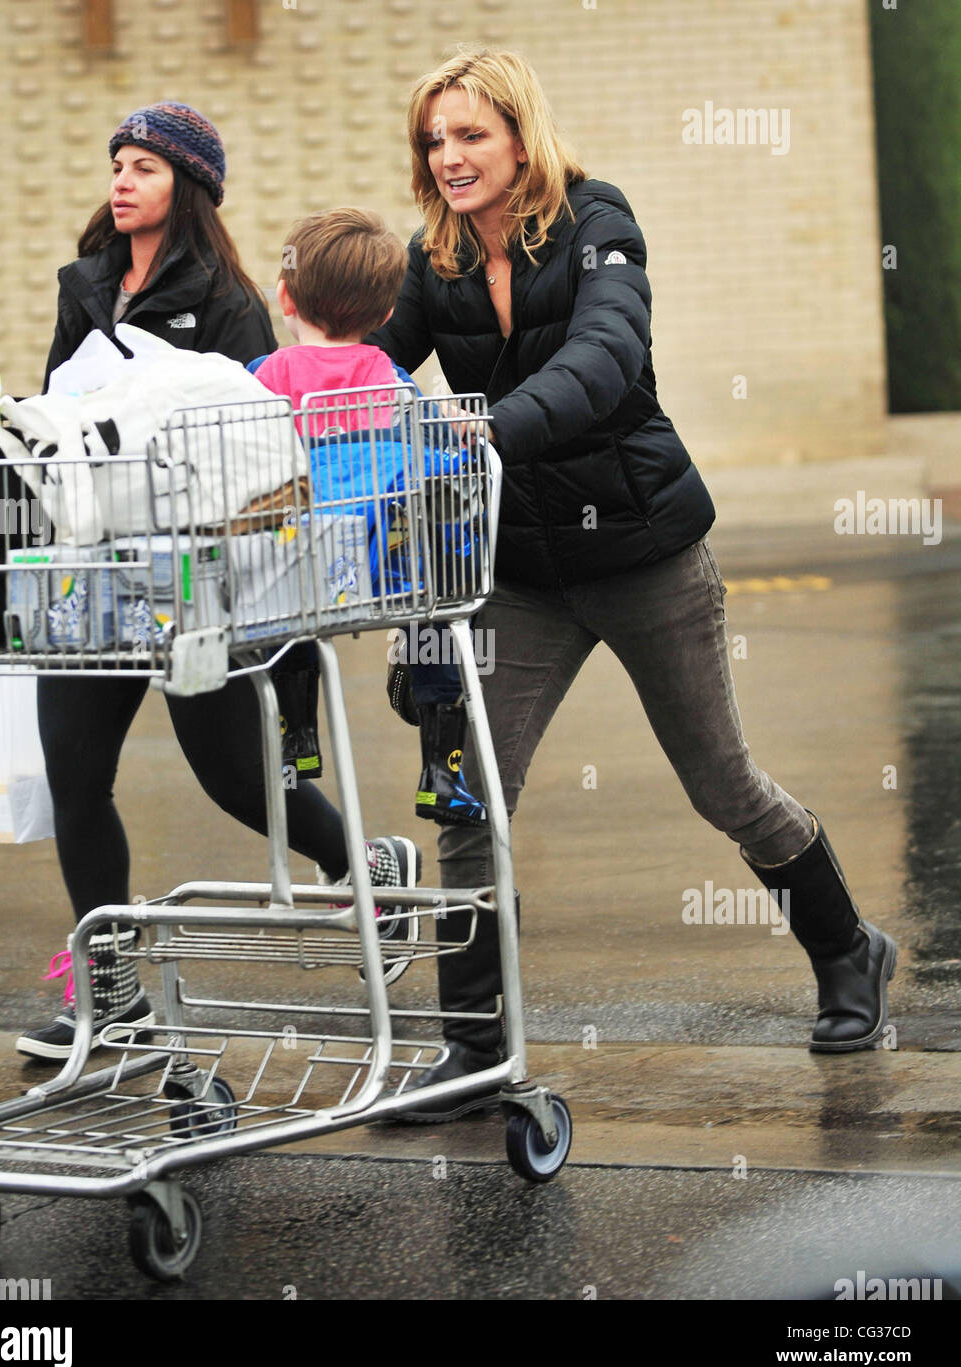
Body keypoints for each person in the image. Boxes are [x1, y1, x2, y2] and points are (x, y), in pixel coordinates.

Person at [365, 49, 898, 1121]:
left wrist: (483, 429)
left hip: (642, 553)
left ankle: (849, 952)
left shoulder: (598, 221)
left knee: (722, 785)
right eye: (434, 140)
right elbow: (371, 363)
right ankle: (470, 1047)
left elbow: (604, 359)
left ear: (519, 134)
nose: (449, 156)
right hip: (514, 570)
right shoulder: (432, 260)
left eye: (470, 134)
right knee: (467, 793)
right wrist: (310, 394)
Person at [18, 103, 419, 1062]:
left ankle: (360, 863)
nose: (122, 179)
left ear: (188, 188)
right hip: (95, 568)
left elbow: (252, 449)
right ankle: (110, 995)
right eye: (116, 161)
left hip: (197, 574)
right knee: (76, 774)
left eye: (145, 166)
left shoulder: (232, 304)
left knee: (237, 779)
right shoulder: (86, 287)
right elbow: (59, 414)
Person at [252, 205, 489, 830]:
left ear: (285, 296)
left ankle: (297, 739)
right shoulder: (391, 381)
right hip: (388, 564)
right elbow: (438, 448)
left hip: (306, 563)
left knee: (285, 609)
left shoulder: (265, 381)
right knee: (434, 617)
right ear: (387, 315)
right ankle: (442, 771)